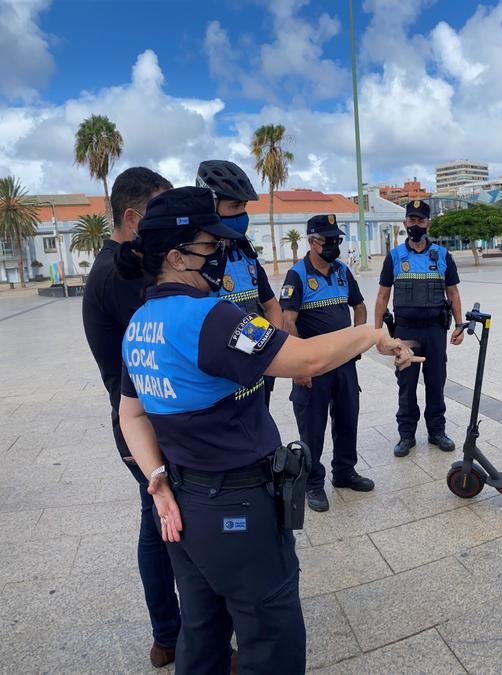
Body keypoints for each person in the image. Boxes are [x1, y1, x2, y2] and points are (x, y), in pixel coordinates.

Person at [116, 187, 419, 674]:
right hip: (238, 506)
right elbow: (308, 357)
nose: (219, 258)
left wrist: (156, 480)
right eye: (209, 248)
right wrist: (375, 333)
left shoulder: (140, 324)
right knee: (268, 633)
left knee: (202, 630)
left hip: (185, 504)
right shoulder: (208, 318)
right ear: (176, 256)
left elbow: (130, 414)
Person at [81, 167, 180, 668]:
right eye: (158, 214)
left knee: (158, 525)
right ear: (133, 216)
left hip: (149, 416)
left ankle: (169, 637)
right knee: (161, 528)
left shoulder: (129, 266)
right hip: (140, 422)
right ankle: (172, 637)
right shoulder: (116, 276)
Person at [280, 215, 375, 512]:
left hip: (344, 364)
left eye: (337, 240)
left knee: (348, 419)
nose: (334, 245)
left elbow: (359, 306)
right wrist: (298, 366)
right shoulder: (296, 276)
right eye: (328, 241)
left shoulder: (343, 271)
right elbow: (288, 321)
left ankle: (344, 472)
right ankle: (312, 483)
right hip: (314, 367)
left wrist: (356, 343)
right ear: (312, 241)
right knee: (312, 428)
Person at [375, 199, 466, 457]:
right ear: (405, 222)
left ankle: (437, 432)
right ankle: (406, 435)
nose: (416, 224)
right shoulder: (394, 257)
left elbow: (454, 293)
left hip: (435, 330)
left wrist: (459, 325)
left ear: (428, 223)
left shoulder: (443, 255)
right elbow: (382, 297)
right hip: (405, 333)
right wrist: (377, 333)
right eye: (411, 220)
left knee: (436, 383)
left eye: (420, 220)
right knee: (407, 385)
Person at [196, 160, 284, 408]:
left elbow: (272, 306)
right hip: (219, 389)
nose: (241, 215)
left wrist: (270, 354)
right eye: (233, 206)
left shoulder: (245, 254)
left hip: (257, 378)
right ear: (210, 206)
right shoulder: (195, 262)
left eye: (243, 206)